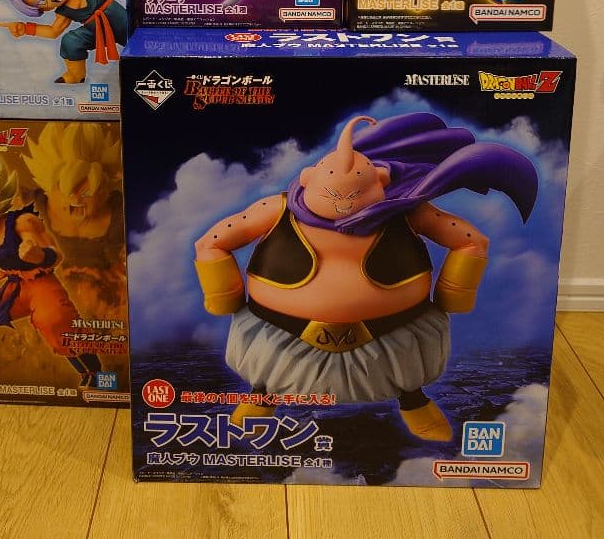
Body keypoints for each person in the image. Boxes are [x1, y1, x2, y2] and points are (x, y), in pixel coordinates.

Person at [195, 112, 537, 441]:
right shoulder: (276, 209)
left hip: (394, 328)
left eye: (353, 195)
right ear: (308, 179)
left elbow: (470, 240)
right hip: (280, 328)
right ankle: (262, 396)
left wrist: (454, 295)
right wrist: (223, 296)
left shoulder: (406, 210)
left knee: (405, 373)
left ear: (382, 181)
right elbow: (212, 242)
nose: (343, 206)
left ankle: (413, 400)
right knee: (270, 372)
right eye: (333, 196)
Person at [0, 154, 103, 387]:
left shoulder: (23, 223)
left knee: (54, 318)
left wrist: (39, 256)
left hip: (41, 282)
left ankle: (94, 373)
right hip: (15, 288)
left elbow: (56, 256)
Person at [0, 0, 127, 83]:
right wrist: (26, 29)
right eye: (43, 0)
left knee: (132, 36)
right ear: (45, 9)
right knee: (70, 41)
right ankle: (76, 75)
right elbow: (53, 31)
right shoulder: (64, 12)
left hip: (118, 17)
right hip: (96, 31)